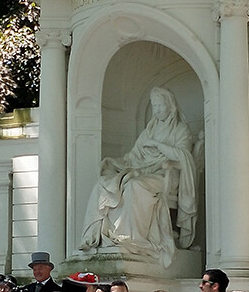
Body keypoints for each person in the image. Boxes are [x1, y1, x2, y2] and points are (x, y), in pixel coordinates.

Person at [79, 86, 198, 267]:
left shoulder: (181, 130)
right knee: (103, 184)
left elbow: (183, 156)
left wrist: (157, 145)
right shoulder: (149, 130)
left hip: (164, 176)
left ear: (170, 106)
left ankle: (131, 238)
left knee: (135, 185)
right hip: (142, 171)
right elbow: (133, 157)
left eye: (160, 106)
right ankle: (97, 235)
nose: (157, 110)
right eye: (155, 106)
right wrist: (114, 162)